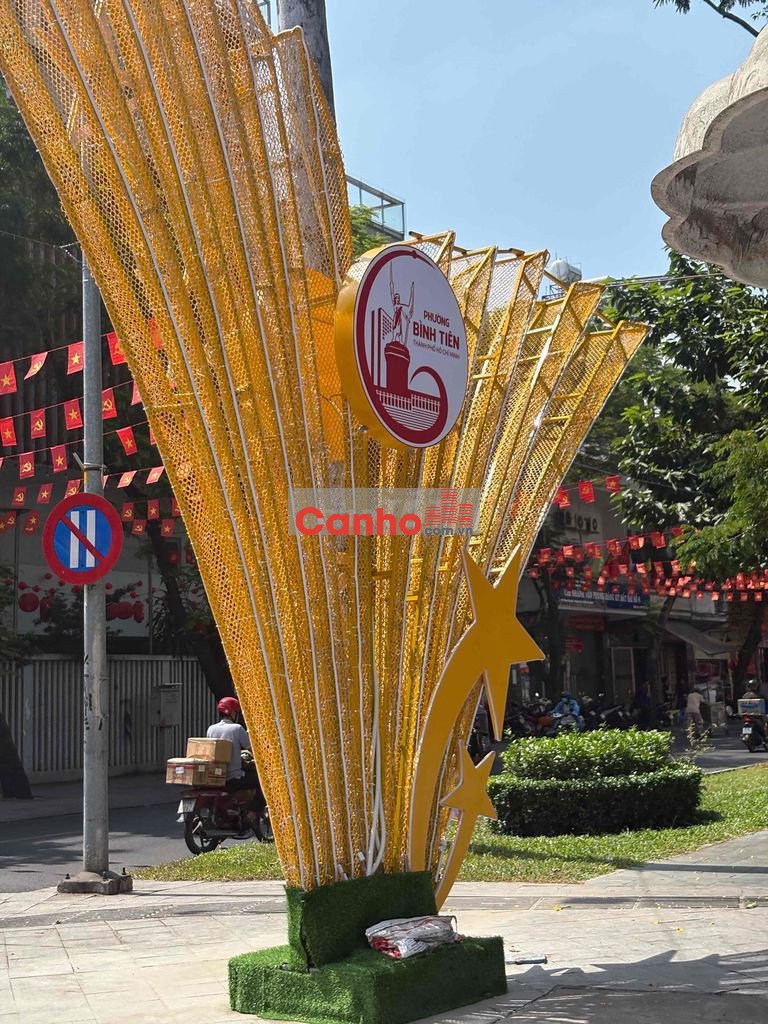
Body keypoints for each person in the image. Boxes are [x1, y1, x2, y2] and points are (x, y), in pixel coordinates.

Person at [207, 697, 253, 792]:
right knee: (259, 781)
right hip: (234, 777)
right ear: (232, 713)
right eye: (236, 712)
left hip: (217, 776)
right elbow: (251, 749)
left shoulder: (211, 729)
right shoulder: (237, 728)